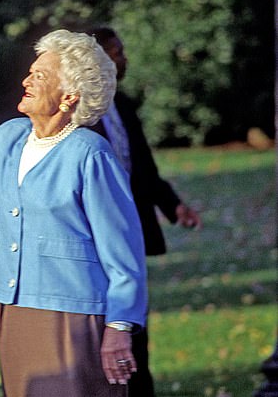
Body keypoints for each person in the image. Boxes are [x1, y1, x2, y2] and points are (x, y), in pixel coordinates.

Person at [0, 29, 148, 397]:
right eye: (31, 72)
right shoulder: (6, 137)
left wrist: (119, 327)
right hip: (14, 310)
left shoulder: (91, 154)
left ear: (69, 97)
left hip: (73, 317)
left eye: (40, 75)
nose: (26, 80)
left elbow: (123, 250)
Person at [87, 26, 203, 397]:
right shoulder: (81, 115)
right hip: (94, 239)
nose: (123, 58)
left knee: (134, 324)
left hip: (130, 231)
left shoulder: (122, 105)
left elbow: (143, 168)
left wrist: (173, 206)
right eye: (116, 52)